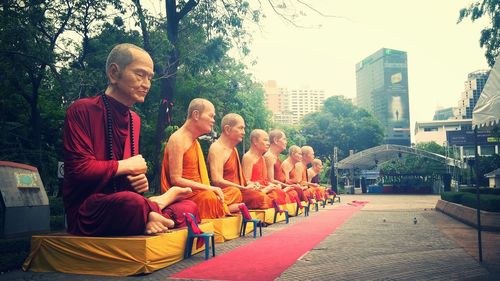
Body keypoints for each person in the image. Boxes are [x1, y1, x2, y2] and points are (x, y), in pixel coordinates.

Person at [63, 43, 197, 236]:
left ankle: (150, 216)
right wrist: (125, 166)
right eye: (140, 74)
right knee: (131, 203)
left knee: (189, 206)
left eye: (150, 78)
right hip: (89, 210)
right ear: (114, 73)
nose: (147, 84)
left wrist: (135, 180)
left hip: (125, 201)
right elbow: (78, 170)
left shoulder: (134, 120)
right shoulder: (82, 110)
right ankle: (152, 211)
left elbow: (127, 174)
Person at [160, 98, 234, 219]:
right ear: (196, 115)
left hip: (200, 192)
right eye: (211, 116)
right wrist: (209, 188)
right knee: (210, 199)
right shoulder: (178, 139)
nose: (213, 121)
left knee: (233, 192)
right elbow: (176, 179)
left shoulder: (195, 142)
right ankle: (224, 207)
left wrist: (209, 189)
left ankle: (222, 205)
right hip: (185, 195)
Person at [208, 114, 272, 209]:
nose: (244, 132)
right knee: (240, 193)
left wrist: (251, 184)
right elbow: (217, 180)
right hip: (227, 193)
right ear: (227, 129)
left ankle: (234, 207)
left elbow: (241, 181)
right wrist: (243, 188)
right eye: (241, 128)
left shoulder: (234, 150)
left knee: (259, 196)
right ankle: (228, 207)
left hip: (237, 191)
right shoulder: (216, 148)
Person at [241, 129, 290, 205]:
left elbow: (265, 180)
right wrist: (265, 188)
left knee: (278, 192)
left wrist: (271, 186)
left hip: (262, 188)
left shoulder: (262, 158)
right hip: (254, 189)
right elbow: (246, 182)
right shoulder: (248, 157)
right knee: (258, 196)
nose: (268, 143)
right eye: (265, 140)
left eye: (268, 141)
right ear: (255, 141)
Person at [264, 130, 301, 201]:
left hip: (281, 186)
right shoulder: (269, 156)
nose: (286, 142)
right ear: (276, 140)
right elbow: (270, 180)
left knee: (295, 191)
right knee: (293, 193)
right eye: (284, 139)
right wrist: (288, 186)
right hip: (275, 188)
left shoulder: (276, 157)